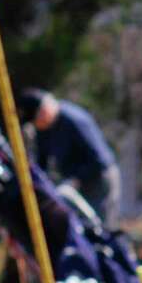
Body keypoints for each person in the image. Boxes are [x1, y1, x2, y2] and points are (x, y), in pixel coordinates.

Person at [18, 89, 121, 228]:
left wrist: (74, 181)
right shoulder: (45, 128)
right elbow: (41, 161)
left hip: (99, 182)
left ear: (44, 111)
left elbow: (100, 160)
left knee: (100, 229)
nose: (35, 126)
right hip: (76, 184)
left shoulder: (74, 120)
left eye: (35, 120)